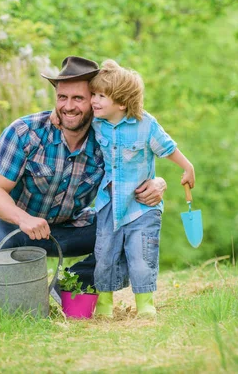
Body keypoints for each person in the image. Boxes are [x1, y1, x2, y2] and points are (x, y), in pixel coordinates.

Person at [0, 56, 167, 294]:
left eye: (78, 98)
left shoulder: (108, 140)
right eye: (62, 98)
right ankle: (18, 298)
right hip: (17, 226)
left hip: (71, 227)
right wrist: (24, 219)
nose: (68, 106)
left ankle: (64, 289)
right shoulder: (25, 132)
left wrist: (158, 183)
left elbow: (140, 170)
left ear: (96, 101)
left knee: (129, 230)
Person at [52, 59, 195, 318]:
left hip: (141, 206)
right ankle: (104, 305)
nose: (94, 100)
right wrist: (56, 116)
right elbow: (70, 119)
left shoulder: (146, 125)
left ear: (121, 102)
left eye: (101, 96)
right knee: (104, 256)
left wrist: (187, 168)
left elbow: (168, 148)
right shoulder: (96, 123)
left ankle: (145, 304)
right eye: (93, 94)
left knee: (142, 255)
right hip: (108, 205)